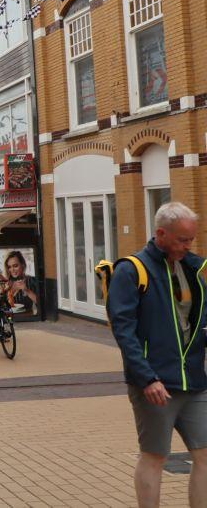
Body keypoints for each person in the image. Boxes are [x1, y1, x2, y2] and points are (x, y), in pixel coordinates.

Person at [108, 202, 207, 508]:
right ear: (161, 233)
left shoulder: (194, 268)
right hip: (155, 384)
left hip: (193, 381)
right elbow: (124, 331)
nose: (187, 246)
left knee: (204, 454)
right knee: (155, 456)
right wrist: (146, 378)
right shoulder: (131, 270)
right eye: (182, 239)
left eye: (191, 239)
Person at [2, 251, 39, 316]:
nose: (12, 270)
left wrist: (27, 290)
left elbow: (41, 303)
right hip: (8, 320)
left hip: (27, 318)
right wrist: (8, 291)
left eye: (15, 266)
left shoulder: (32, 280)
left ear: (23, 265)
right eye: (9, 267)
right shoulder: (3, 283)